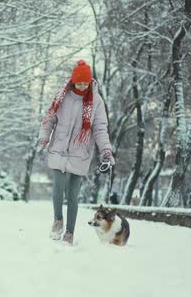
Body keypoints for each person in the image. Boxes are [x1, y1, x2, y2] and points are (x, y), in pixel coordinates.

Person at [37, 60, 115, 245]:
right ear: (73, 81)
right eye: (79, 82)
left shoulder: (96, 101)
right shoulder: (61, 96)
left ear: (89, 82)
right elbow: (49, 119)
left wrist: (106, 150)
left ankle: (69, 233)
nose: (82, 86)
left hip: (80, 152)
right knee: (58, 188)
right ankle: (58, 221)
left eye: (85, 83)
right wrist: (43, 138)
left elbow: (100, 128)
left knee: (72, 195)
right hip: (59, 149)